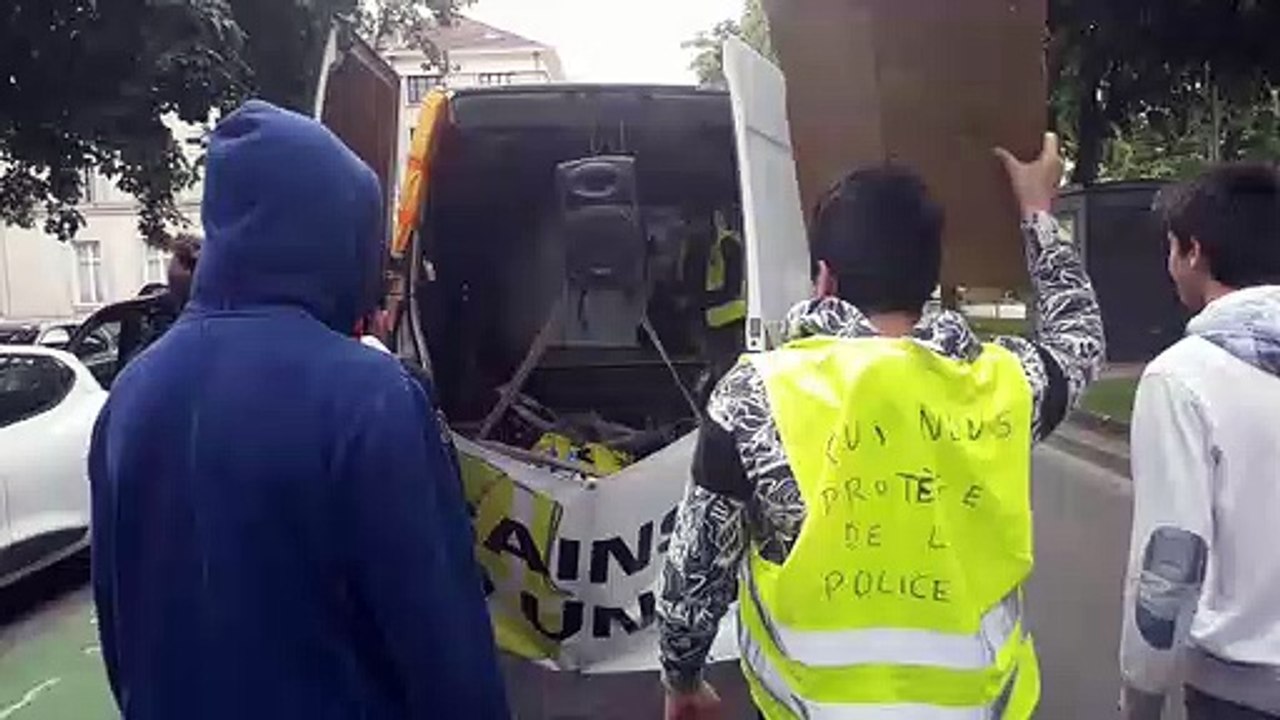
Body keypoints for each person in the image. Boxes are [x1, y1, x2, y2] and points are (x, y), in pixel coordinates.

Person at [657, 132, 1106, 720]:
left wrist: (682, 678)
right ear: (929, 278)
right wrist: (1038, 214)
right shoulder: (1006, 383)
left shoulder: (755, 395)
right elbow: (1080, 341)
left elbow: (697, 566)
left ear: (825, 279)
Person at [88, 100, 508, 719]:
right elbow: (443, 645)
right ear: (335, 234)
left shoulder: (131, 393)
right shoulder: (371, 397)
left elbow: (118, 622)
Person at [1119, 164, 1280, 720]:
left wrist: (1140, 698)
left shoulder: (1182, 378)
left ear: (1194, 252)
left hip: (1236, 692)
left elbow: (1170, 563)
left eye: (1171, 248)